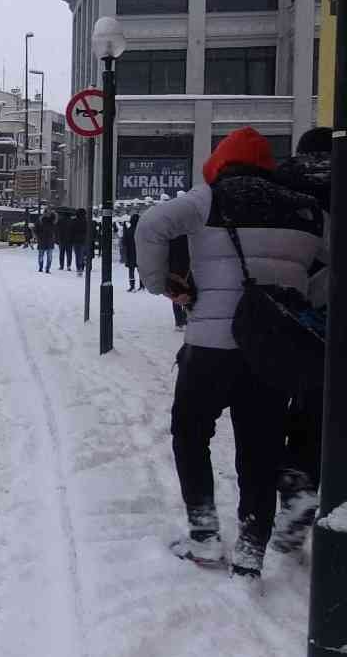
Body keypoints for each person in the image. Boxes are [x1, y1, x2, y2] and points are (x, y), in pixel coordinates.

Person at [136, 127, 327, 580]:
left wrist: (163, 284)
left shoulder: (209, 198)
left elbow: (151, 224)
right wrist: (304, 298)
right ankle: (250, 549)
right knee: (259, 447)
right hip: (272, 349)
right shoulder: (304, 207)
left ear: (221, 162)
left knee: (190, 432)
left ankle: (203, 534)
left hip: (210, 344)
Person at [270, 127, 333, 554]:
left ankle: (294, 479)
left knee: (285, 401)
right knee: (322, 406)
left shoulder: (281, 183)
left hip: (292, 302)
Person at [121, 214, 140, 291]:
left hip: (130, 253)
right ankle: (142, 285)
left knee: (131, 270)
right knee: (140, 270)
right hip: (139, 253)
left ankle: (132, 285)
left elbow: (124, 242)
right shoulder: (140, 230)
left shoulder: (129, 230)